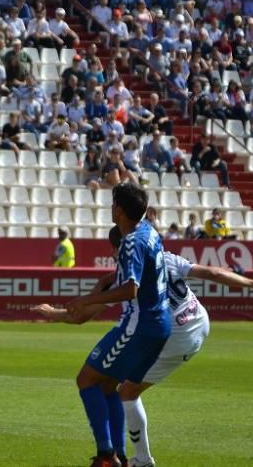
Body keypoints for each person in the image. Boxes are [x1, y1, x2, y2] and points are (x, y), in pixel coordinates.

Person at [35, 226, 253, 467]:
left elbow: (81, 316)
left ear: (118, 249)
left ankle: (140, 459)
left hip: (175, 336)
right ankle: (121, 455)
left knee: (126, 391)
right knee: (113, 384)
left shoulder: (126, 279)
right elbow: (212, 272)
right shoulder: (167, 258)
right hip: (199, 320)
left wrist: (52, 313)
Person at [56, 183, 170, 467]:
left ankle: (107, 456)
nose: (110, 208)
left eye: (112, 203)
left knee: (86, 380)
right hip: (156, 324)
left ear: (119, 209)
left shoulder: (131, 241)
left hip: (139, 325)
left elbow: (131, 289)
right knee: (107, 386)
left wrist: (90, 298)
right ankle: (116, 453)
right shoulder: (150, 233)